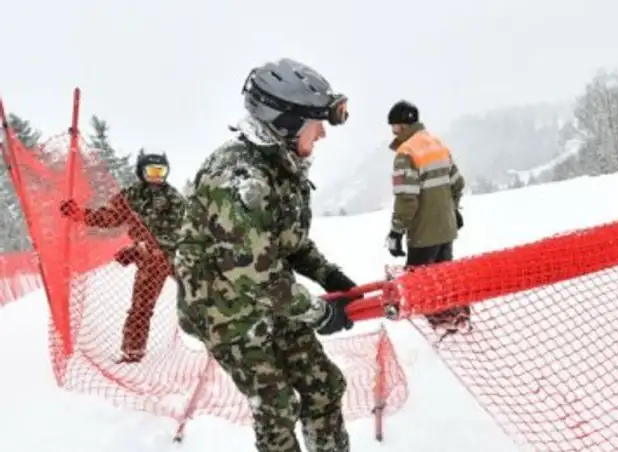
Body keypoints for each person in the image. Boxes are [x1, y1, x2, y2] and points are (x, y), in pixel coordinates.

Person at [173, 58, 360, 452]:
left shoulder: (280, 164)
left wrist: (329, 276)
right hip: (225, 311)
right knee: (276, 406)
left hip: (271, 299)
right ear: (286, 124)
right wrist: (319, 313)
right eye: (316, 124)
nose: (323, 134)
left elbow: (286, 243)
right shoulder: (239, 179)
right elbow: (253, 274)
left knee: (324, 386)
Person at [60, 150, 186, 362]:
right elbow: (108, 217)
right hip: (150, 262)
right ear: (140, 172)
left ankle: (218, 341)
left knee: (198, 298)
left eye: (160, 171)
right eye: (151, 171)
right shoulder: (131, 196)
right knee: (141, 307)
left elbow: (182, 231)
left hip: (176, 257)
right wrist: (80, 215)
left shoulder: (174, 198)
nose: (156, 176)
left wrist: (141, 250)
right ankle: (133, 352)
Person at [384, 100, 470, 338]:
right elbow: (457, 183)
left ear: (401, 126)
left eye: (393, 127)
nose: (393, 132)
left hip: (423, 233)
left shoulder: (406, 153)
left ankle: (441, 328)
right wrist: (453, 211)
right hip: (446, 228)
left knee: (419, 283)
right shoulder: (437, 144)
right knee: (445, 277)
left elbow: (407, 199)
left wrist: (396, 231)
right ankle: (460, 320)